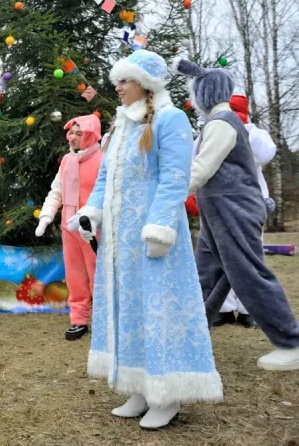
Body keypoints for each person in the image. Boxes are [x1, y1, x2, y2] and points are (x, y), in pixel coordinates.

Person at [73, 50, 222, 429]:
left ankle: (167, 393)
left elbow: (175, 177)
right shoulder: (120, 127)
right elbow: (105, 179)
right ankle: (138, 384)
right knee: (130, 309)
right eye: (117, 81)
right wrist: (92, 211)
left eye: (125, 80)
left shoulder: (170, 120)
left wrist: (159, 227)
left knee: (159, 308)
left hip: (155, 236)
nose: (118, 88)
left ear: (145, 83)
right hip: (119, 242)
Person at [178, 59, 299, 371]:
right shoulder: (216, 123)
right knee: (207, 274)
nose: (193, 102)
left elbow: (202, 169)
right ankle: (189, 334)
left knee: (248, 274)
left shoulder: (222, 124)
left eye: (195, 94)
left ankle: (291, 341)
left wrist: (168, 193)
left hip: (235, 210)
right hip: (216, 212)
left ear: (205, 92)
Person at [199, 94, 276, 329]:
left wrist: (242, 127)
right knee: (218, 257)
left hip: (249, 203)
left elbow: (265, 154)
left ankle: (248, 310)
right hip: (216, 202)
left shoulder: (256, 135)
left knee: (250, 258)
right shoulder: (209, 130)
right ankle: (223, 309)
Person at [36, 114, 103, 341]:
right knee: (74, 275)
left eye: (78, 133)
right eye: (71, 132)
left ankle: (104, 320)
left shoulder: (102, 160)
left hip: (92, 229)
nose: (71, 137)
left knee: (98, 275)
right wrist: (46, 216)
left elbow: (104, 194)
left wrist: (90, 218)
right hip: (69, 227)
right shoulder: (67, 160)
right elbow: (57, 190)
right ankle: (79, 320)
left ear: (91, 135)